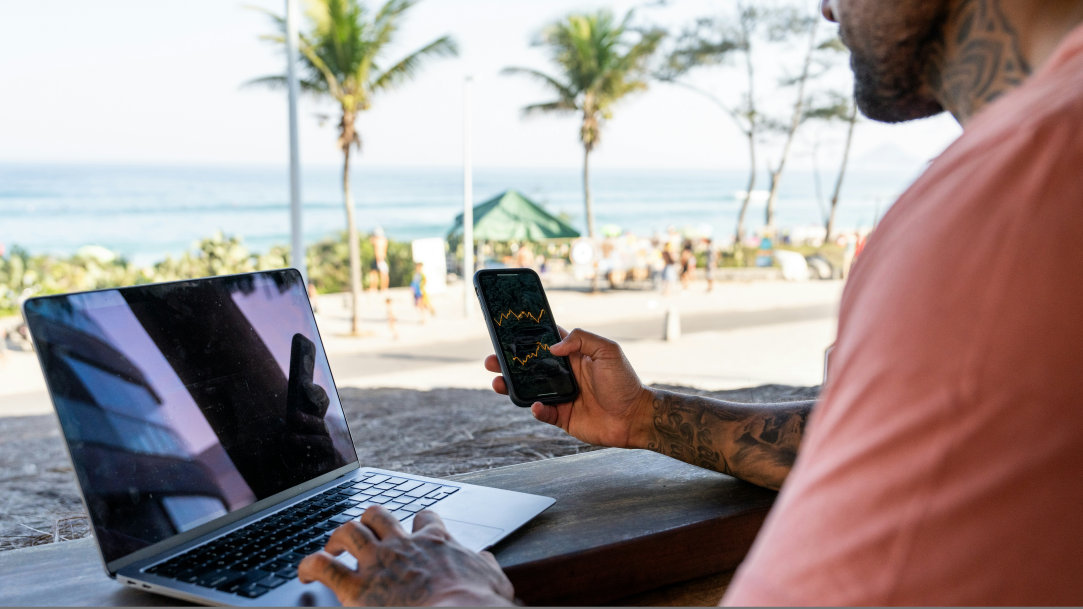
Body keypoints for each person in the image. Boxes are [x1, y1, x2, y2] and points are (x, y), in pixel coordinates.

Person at [298, 0, 1083, 604]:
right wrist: (646, 416)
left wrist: (448, 592)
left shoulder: (1010, 192)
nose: (821, 7)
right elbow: (900, 439)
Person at [367, 227, 389, 292]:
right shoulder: (384, 240)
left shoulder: (378, 241)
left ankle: (376, 288)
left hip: (379, 259)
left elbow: (371, 241)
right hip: (382, 258)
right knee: (381, 273)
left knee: (376, 274)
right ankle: (383, 288)